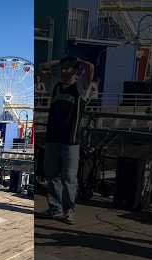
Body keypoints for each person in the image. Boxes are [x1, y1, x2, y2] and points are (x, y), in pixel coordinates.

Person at [39, 55, 94, 224]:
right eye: (62, 69)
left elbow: (90, 67)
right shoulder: (56, 87)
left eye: (67, 69)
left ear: (76, 71)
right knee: (52, 175)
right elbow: (42, 66)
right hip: (52, 139)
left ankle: (68, 210)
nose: (63, 72)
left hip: (71, 141)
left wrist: (77, 60)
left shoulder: (81, 88)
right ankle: (54, 208)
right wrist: (60, 61)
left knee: (69, 177)